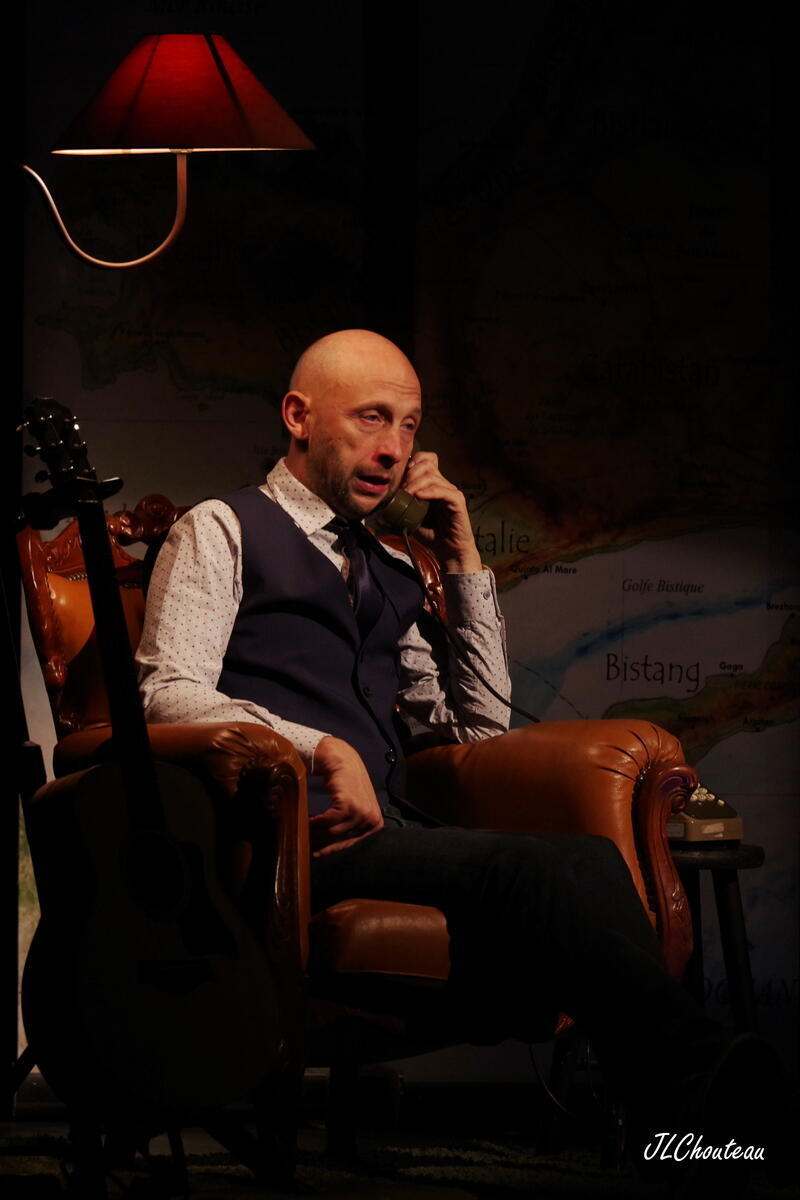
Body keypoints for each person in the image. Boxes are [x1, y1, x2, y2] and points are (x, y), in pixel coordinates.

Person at [137, 329, 787, 1189]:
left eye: (409, 425)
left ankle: (684, 1107)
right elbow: (167, 692)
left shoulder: (387, 565)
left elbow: (479, 729)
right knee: (549, 869)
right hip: (287, 838)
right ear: (299, 417)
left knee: (577, 867)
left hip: (388, 833)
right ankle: (702, 1093)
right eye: (372, 418)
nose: (394, 447)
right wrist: (320, 747)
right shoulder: (222, 529)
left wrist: (463, 559)